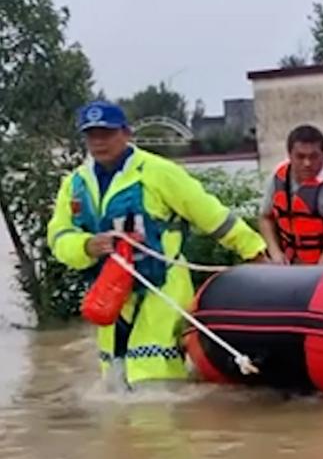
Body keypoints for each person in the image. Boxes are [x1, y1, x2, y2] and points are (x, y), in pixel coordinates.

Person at [46, 101, 267, 388]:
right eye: (92, 135)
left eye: (107, 133)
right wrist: (86, 245)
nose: (99, 142)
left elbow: (210, 214)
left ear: (126, 134)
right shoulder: (74, 184)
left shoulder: (158, 172)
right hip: (110, 292)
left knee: (156, 381)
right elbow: (59, 235)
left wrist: (254, 252)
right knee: (115, 381)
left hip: (160, 287)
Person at [259, 125, 323, 265]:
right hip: (291, 259)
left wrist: (314, 276)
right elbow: (265, 218)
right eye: (300, 156)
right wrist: (275, 253)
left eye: (314, 156)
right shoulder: (278, 178)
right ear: (289, 155)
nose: (307, 163)